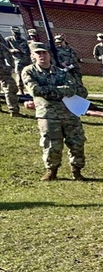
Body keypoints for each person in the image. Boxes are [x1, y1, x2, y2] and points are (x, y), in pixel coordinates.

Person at [21, 42, 88, 181]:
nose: (42, 56)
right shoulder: (29, 71)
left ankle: (77, 171)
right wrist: (59, 90)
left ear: (49, 55)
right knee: (52, 144)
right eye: (38, 53)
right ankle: (52, 171)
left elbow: (71, 89)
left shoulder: (60, 72)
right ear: (32, 55)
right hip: (48, 114)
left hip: (69, 112)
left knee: (77, 142)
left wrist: (49, 90)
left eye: (44, 52)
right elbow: (35, 90)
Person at [5, 27, 31, 95]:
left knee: (28, 76)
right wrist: (11, 50)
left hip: (26, 60)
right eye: (15, 34)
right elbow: (4, 47)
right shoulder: (9, 40)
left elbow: (28, 50)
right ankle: (21, 91)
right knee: (19, 76)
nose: (17, 35)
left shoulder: (23, 41)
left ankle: (29, 90)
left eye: (18, 34)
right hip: (17, 60)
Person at [0, 43, 20, 117]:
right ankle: (13, 110)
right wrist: (12, 66)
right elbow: (8, 56)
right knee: (9, 88)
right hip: (2, 70)